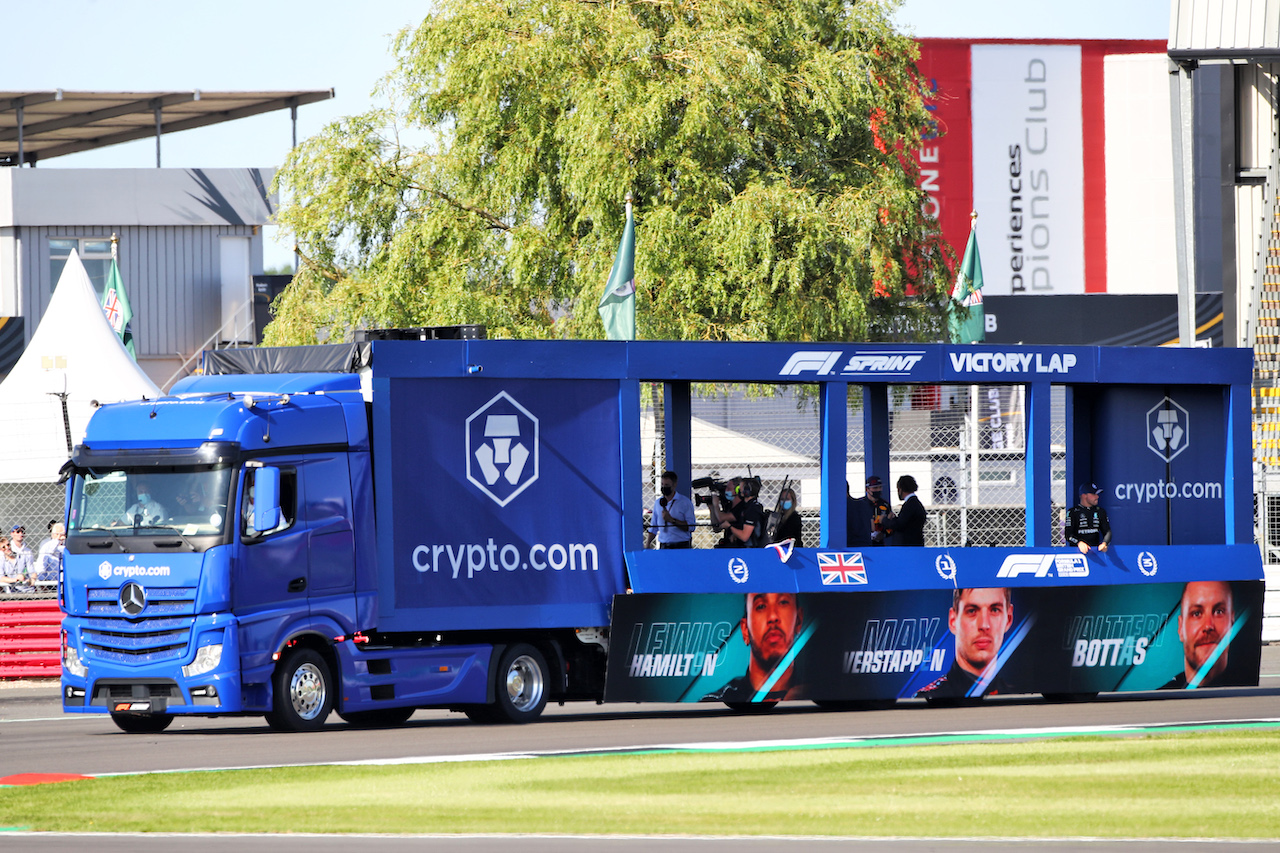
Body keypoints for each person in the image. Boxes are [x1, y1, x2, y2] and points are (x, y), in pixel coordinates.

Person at [704, 592, 806, 702]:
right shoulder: (715, 703)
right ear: (745, 630)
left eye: (783, 602)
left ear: (799, 620)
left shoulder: (819, 693)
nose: (773, 616)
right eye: (761, 606)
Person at [917, 587, 1014, 698]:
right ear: (953, 621)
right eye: (972, 611)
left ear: (1009, 619)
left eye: (995, 610)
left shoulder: (1018, 697)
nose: (984, 625)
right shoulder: (929, 698)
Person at [1162, 581, 1235, 689]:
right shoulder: (1163, 696)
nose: (1208, 626)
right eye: (1196, 613)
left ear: (1232, 623)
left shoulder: (1246, 690)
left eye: (1219, 612)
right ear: (1181, 628)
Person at [646, 470, 697, 549]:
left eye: (667, 485)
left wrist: (672, 520)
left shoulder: (684, 502)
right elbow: (654, 527)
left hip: (681, 545)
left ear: (674, 485)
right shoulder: (658, 503)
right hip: (664, 545)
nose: (664, 487)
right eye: (662, 484)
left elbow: (691, 527)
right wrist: (648, 544)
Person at [718, 477, 766, 548]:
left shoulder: (752, 509)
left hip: (750, 549)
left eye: (740, 488)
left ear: (747, 491)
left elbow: (744, 536)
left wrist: (730, 527)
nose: (738, 490)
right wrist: (735, 534)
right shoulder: (747, 506)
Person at [1065, 482, 1111, 554]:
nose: (1097, 497)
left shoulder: (1100, 511)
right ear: (1084, 496)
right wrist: (1079, 543)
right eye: (1093, 494)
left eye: (1097, 494)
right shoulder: (1073, 512)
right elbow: (1068, 535)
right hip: (1077, 552)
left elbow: (1107, 531)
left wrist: (1105, 543)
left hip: (1096, 552)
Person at [886, 475, 926, 546]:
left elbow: (900, 525)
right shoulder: (916, 504)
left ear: (900, 489)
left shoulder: (909, 505)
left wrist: (885, 520)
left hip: (908, 545)